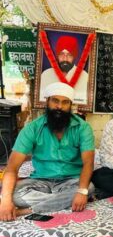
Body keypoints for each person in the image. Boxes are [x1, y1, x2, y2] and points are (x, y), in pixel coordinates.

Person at [0, 82, 95, 221]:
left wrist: (81, 191)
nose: (59, 107)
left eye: (65, 102)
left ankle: (28, 210)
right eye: (55, 101)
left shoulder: (83, 128)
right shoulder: (32, 128)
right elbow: (12, 167)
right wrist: (6, 201)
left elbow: (88, 163)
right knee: (11, 194)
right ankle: (62, 200)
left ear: (70, 105)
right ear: (47, 101)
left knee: (89, 187)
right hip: (40, 180)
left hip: (71, 180)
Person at [40, 35, 89, 104]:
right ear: (57, 55)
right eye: (61, 54)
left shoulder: (85, 76)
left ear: (74, 56)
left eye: (69, 55)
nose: (65, 59)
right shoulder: (46, 74)